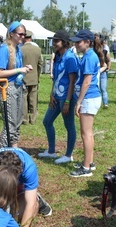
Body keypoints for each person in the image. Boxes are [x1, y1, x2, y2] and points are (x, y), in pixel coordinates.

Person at [0, 21, 32, 148]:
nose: (22, 37)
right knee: (10, 124)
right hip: (7, 88)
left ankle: (14, 150)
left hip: (18, 87)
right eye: (20, 34)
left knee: (18, 122)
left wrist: (24, 69)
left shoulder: (17, 50)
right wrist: (20, 70)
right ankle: (2, 153)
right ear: (12, 34)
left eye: (24, 34)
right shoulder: (4, 50)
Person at [39, 30, 78, 165]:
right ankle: (51, 151)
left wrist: (67, 101)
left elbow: (72, 81)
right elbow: (56, 78)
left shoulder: (70, 58)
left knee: (69, 126)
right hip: (56, 96)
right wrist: (51, 94)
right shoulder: (57, 56)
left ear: (65, 43)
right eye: (53, 41)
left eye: (57, 41)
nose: (54, 43)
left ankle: (68, 155)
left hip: (66, 97)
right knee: (47, 121)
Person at [68, 30, 101, 177]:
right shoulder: (89, 55)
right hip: (90, 97)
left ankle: (86, 168)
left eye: (78, 42)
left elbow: (87, 82)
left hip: (89, 98)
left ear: (87, 42)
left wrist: (78, 102)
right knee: (88, 133)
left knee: (85, 134)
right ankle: (90, 162)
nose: (75, 44)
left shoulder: (89, 57)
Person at [21, 30, 43, 125]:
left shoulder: (20, 50)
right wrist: (37, 76)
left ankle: (25, 119)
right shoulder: (37, 50)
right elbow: (40, 65)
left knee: (24, 100)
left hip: (23, 78)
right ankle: (33, 119)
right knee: (33, 100)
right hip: (34, 78)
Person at [100, 37, 111, 108]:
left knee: (103, 88)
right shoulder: (93, 51)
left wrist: (108, 68)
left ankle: (105, 103)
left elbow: (109, 60)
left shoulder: (105, 51)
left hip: (103, 72)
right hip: (96, 72)